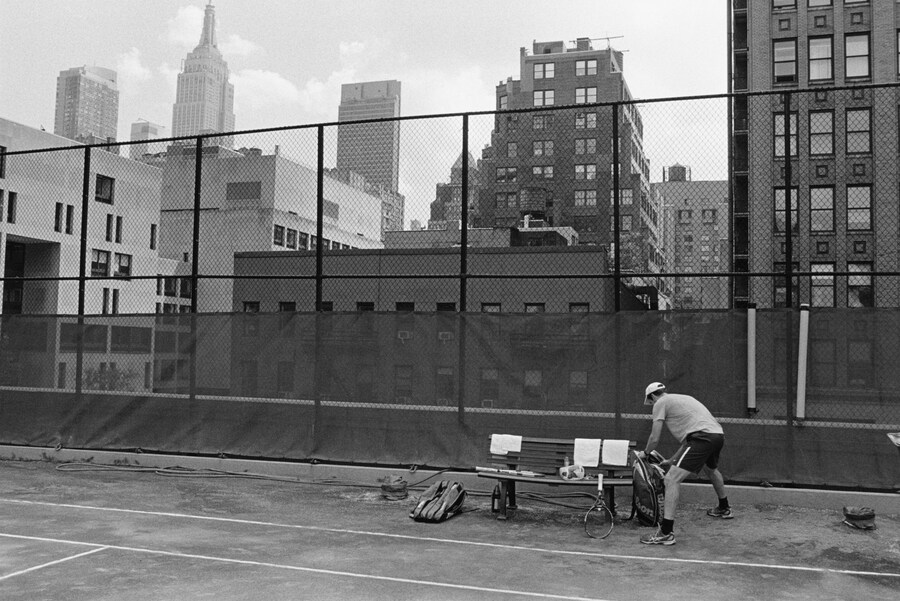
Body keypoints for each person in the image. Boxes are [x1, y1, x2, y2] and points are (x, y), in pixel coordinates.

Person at [637, 382, 732, 546]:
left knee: (671, 480)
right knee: (711, 469)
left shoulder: (660, 402)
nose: (652, 405)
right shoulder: (682, 399)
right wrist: (672, 459)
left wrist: (644, 453)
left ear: (652, 396)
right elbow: (689, 440)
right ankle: (724, 507)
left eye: (650, 401)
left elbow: (654, 438)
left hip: (702, 438)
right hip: (716, 435)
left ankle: (666, 532)